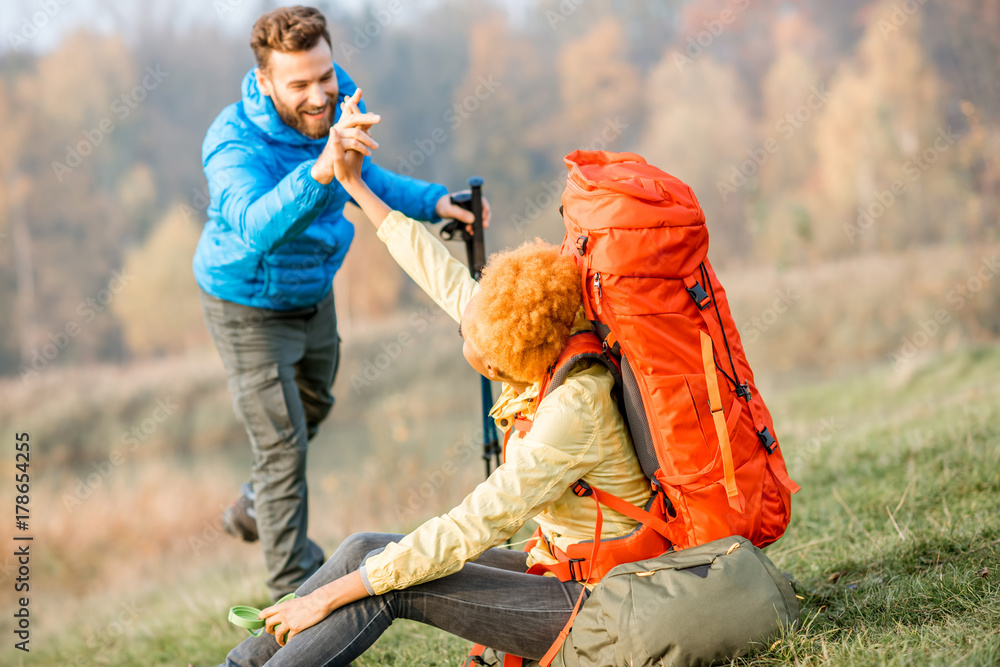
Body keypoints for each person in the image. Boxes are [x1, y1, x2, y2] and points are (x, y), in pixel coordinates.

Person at [218, 94, 651, 666]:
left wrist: (325, 598)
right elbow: (440, 273)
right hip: (562, 564)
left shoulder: (573, 410)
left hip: (602, 607)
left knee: (394, 582)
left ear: (502, 363)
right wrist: (356, 186)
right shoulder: (539, 332)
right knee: (365, 551)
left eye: (475, 353)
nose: (466, 339)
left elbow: (470, 527)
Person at [194, 5, 489, 601]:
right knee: (282, 447)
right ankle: (293, 602)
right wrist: (321, 171)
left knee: (312, 410)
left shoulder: (337, 103)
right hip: (247, 304)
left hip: (313, 291)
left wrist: (436, 202)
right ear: (266, 81)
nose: (318, 94)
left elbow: (367, 179)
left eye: (323, 76)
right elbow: (254, 226)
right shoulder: (232, 143)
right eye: (298, 84)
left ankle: (255, 503)